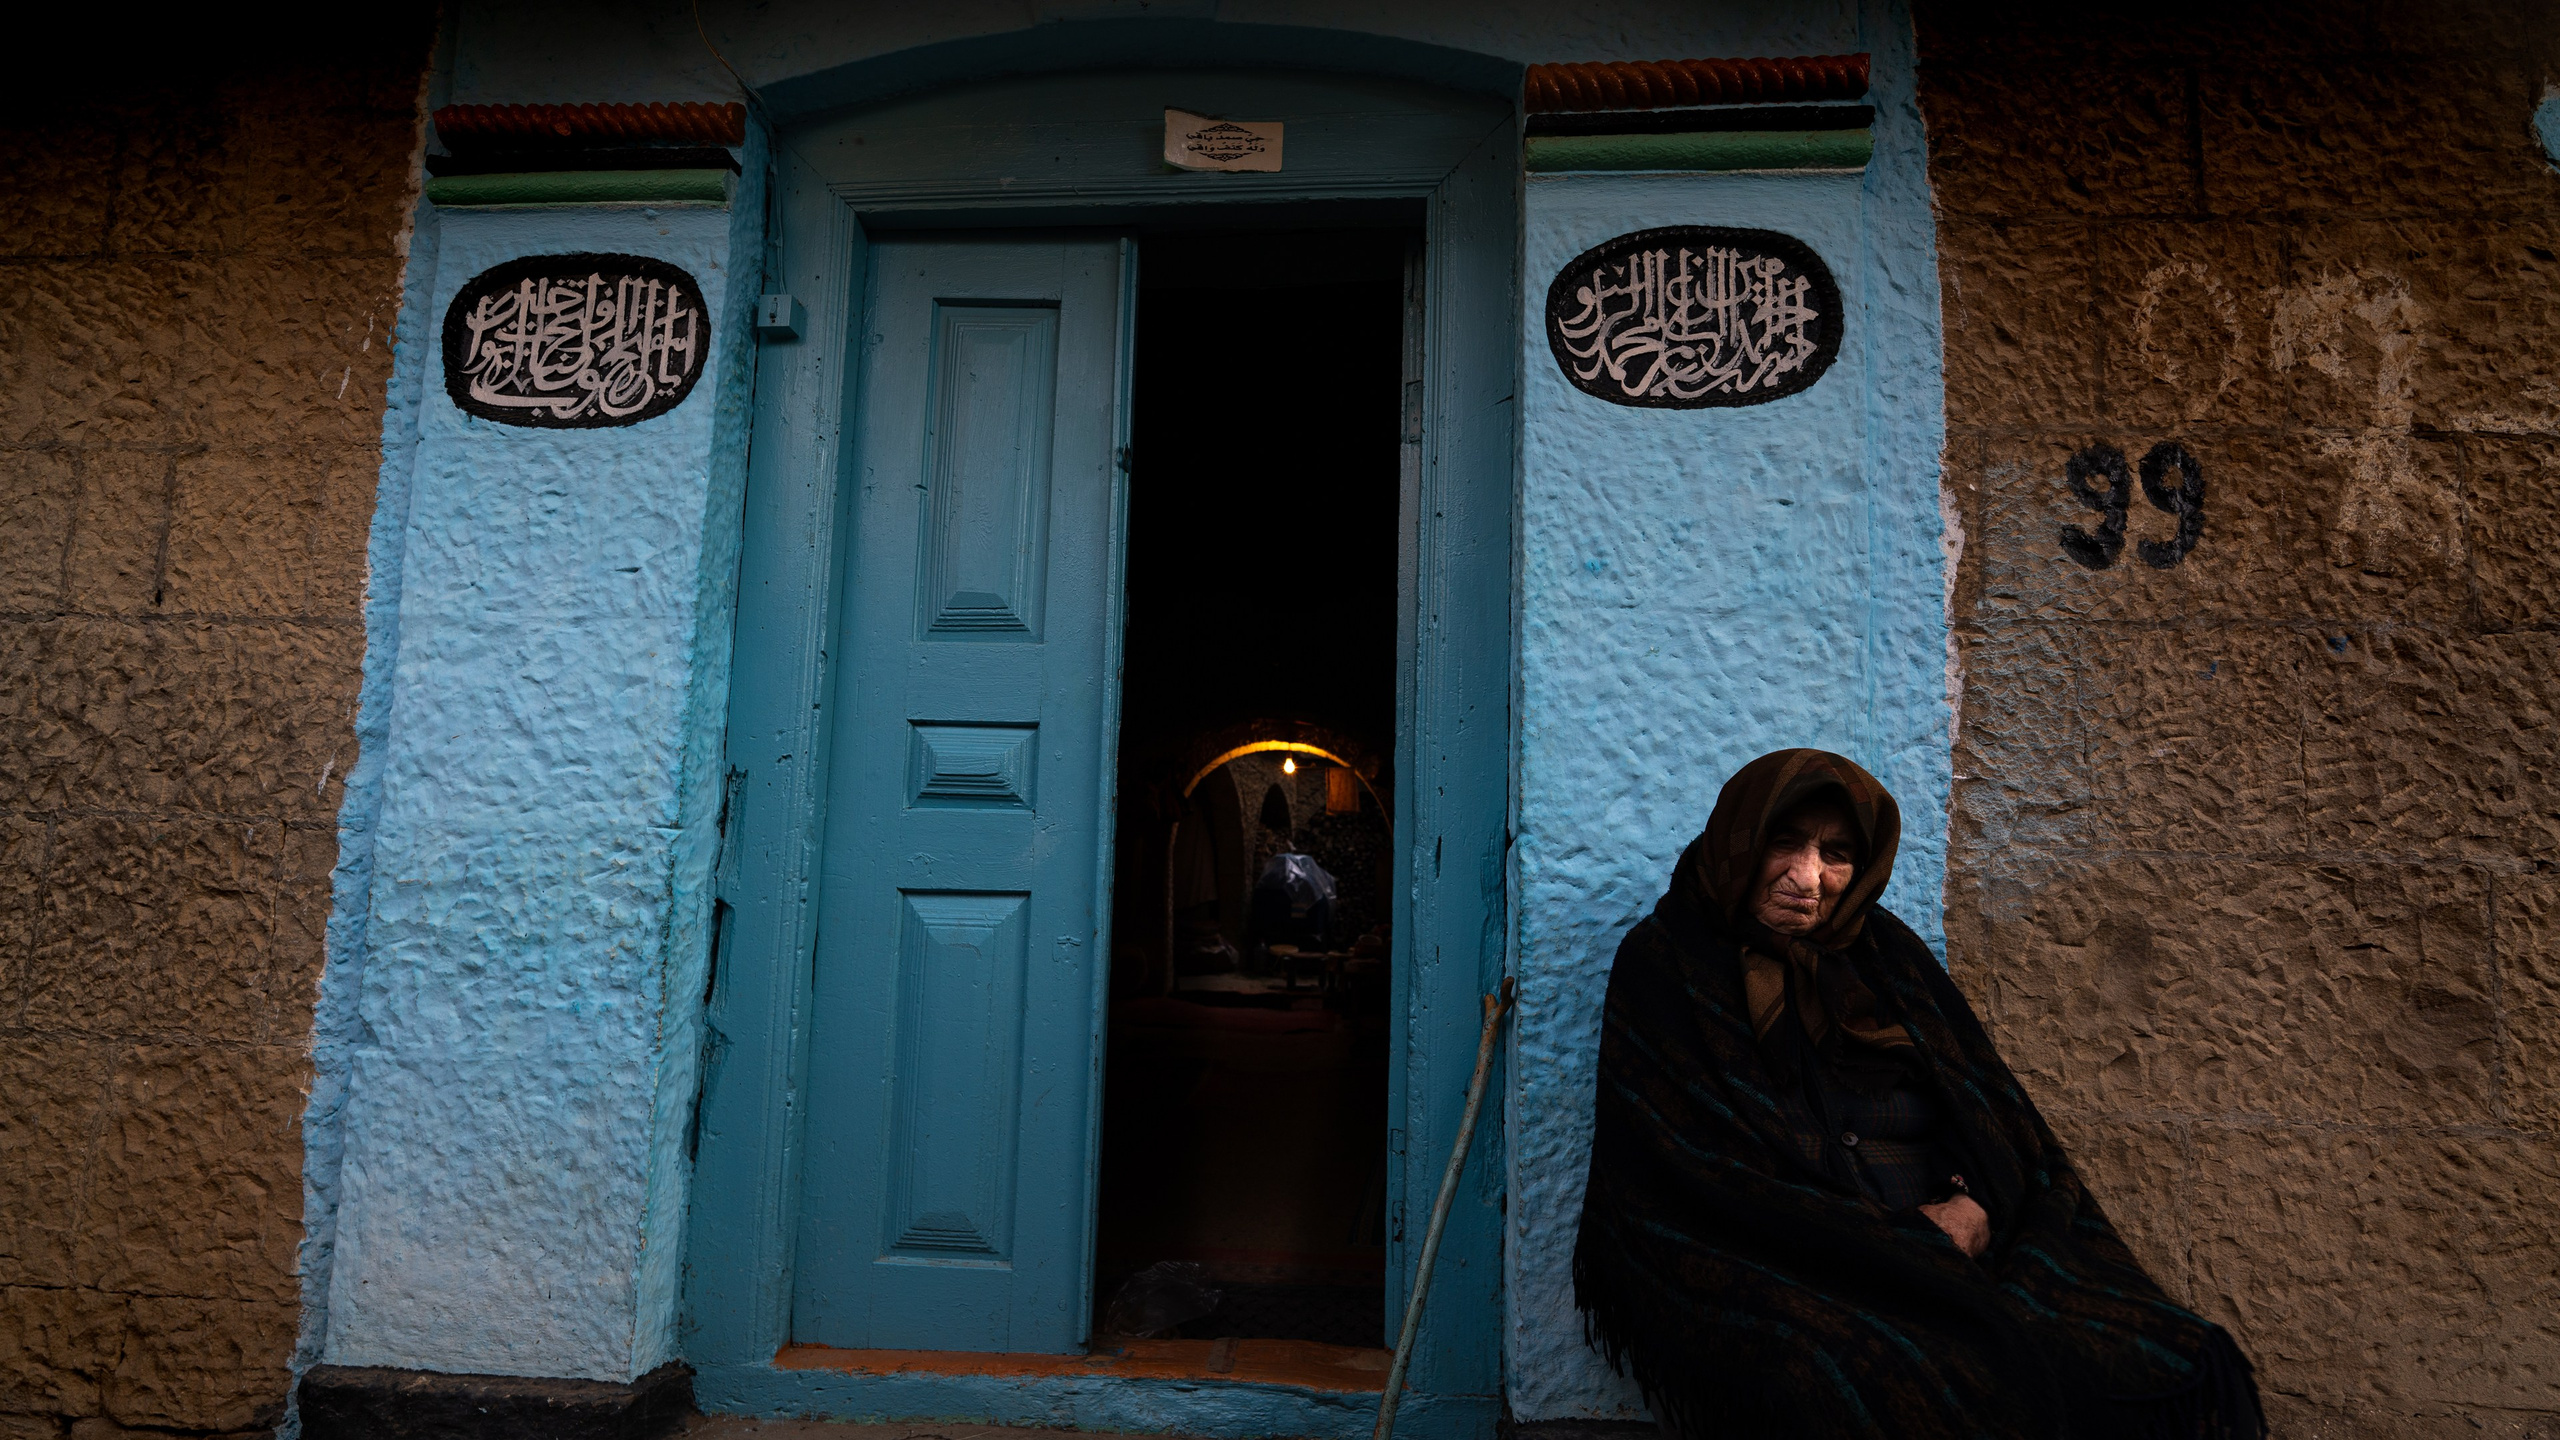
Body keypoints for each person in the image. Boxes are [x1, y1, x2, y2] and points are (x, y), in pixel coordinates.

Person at [1574, 749, 2264, 1440]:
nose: (1807, 876)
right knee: (1848, 1376)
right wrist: (1889, 1245)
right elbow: (1691, 1170)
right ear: (1739, 839)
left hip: (1958, 1239)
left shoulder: (1887, 956)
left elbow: (1989, 1113)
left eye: (1837, 853)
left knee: (2166, 1352)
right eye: (1785, 842)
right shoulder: (1665, 961)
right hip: (1798, 1262)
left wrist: (1972, 1201)